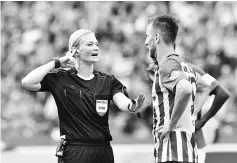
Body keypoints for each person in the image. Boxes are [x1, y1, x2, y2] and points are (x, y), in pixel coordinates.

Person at [22, 29, 145, 163]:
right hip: (73, 152)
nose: (96, 47)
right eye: (89, 44)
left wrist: (132, 105)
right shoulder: (60, 78)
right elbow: (27, 82)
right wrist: (56, 62)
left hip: (103, 152)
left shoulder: (107, 81)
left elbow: (123, 102)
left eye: (96, 44)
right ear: (75, 50)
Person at [145, 15, 199, 163]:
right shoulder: (186, 66)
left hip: (173, 151)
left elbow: (185, 89)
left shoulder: (167, 65)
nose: (145, 42)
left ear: (156, 38)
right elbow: (203, 89)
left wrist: (171, 124)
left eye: (147, 36)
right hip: (188, 150)